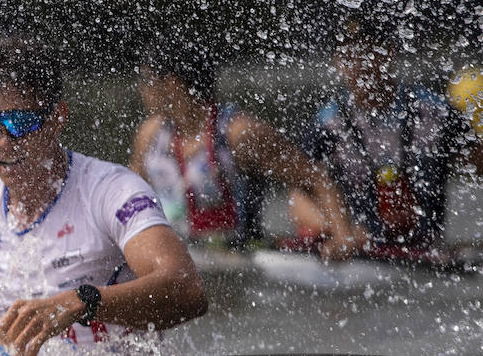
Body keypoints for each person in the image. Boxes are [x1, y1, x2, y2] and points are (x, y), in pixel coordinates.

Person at [0, 38, 207, 356]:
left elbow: (188, 291)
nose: (3, 142)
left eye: (19, 123)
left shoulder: (112, 192)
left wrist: (83, 302)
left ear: (57, 117)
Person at [130, 44, 366, 260]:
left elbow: (315, 178)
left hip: (239, 261)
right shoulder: (150, 135)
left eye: (146, 80)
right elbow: (129, 201)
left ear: (172, 84)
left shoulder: (239, 134)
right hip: (179, 258)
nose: (141, 89)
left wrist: (343, 239)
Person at [289, 15, 483, 251]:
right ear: (337, 63)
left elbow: (477, 163)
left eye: (367, 53)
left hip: (426, 252)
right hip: (361, 251)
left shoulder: (436, 112)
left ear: (389, 53)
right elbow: (298, 199)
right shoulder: (328, 123)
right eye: (348, 57)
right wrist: (343, 231)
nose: (359, 65)